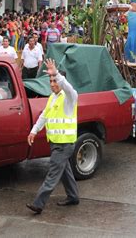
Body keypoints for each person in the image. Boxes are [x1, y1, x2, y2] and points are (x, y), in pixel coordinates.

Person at [26, 58, 79, 214]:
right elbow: (44, 115)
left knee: (53, 173)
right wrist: (34, 130)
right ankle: (73, 196)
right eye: (50, 80)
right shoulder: (53, 97)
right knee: (64, 170)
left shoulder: (70, 97)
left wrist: (56, 73)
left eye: (55, 80)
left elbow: (68, 88)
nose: (52, 83)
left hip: (64, 145)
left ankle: (38, 203)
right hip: (56, 142)